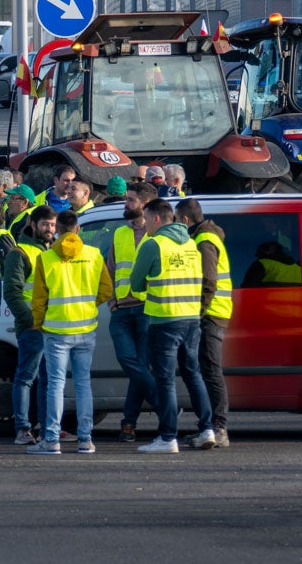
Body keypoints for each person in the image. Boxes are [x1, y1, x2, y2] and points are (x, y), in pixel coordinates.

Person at [130, 198, 216, 453]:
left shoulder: (154, 244)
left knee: (165, 380)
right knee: (193, 373)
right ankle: (207, 428)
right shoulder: (191, 244)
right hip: (191, 319)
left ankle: (168, 437)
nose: (144, 225)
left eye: (145, 220)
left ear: (157, 219)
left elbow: (136, 284)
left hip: (165, 319)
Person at [28, 209, 111, 455]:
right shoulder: (94, 255)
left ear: (57, 230)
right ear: (77, 230)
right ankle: (85, 439)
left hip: (56, 330)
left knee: (55, 384)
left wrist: (39, 323)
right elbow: (106, 290)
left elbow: (39, 300)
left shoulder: (46, 258)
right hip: (85, 328)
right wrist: (86, 306)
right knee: (83, 384)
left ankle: (51, 439)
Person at [176, 198, 232, 449]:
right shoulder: (207, 236)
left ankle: (218, 428)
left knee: (210, 371)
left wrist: (198, 311)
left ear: (185, 220)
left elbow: (208, 280)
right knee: (206, 370)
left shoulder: (204, 240)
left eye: (178, 220)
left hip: (210, 314)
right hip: (213, 312)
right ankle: (209, 427)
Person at [110, 180, 157, 442]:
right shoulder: (119, 232)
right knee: (131, 362)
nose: (125, 204)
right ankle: (163, 406)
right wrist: (112, 303)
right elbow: (111, 267)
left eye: (130, 200)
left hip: (146, 308)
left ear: (145, 204)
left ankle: (128, 423)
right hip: (121, 310)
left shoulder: (157, 233)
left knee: (139, 366)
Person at [5, 205, 56, 445]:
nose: (50, 229)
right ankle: (23, 429)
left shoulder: (52, 251)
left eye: (53, 225)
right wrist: (29, 321)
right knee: (26, 377)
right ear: (33, 225)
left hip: (52, 326)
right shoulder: (20, 253)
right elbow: (13, 292)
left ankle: (48, 428)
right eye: (46, 225)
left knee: (47, 380)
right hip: (32, 328)